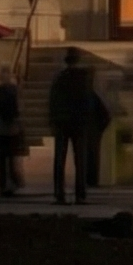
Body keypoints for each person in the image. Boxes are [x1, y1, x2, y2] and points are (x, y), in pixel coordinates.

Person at [48, 46, 95, 204]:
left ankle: (59, 193)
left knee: (59, 159)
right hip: (79, 123)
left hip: (62, 122)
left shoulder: (60, 77)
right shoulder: (84, 79)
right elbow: (88, 102)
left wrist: (53, 120)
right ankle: (80, 194)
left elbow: (53, 101)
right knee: (80, 160)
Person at [0, 66, 23, 197]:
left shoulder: (3, 90)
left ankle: (7, 184)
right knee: (5, 158)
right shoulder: (10, 90)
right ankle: (6, 184)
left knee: (7, 158)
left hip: (7, 126)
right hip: (5, 126)